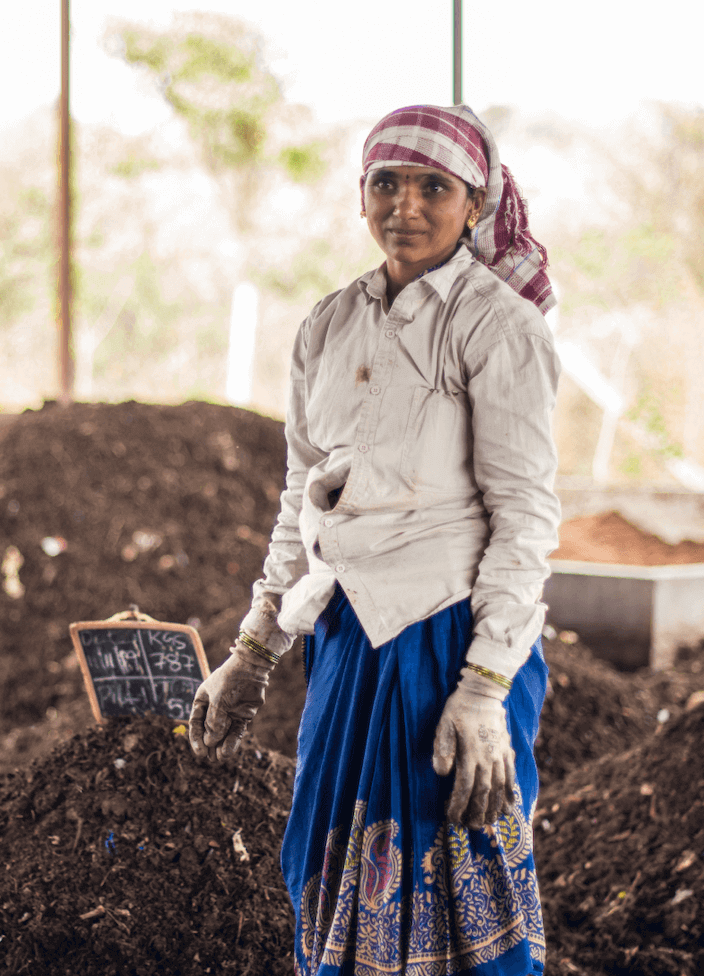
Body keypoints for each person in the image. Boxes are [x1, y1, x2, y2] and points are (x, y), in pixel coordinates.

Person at [189, 103, 560, 976]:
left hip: (447, 640)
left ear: (475, 204)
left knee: (459, 885)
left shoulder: (497, 326)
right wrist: (254, 650)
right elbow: (300, 500)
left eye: (435, 186)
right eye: (386, 182)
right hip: (349, 641)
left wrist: (483, 688)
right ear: (361, 196)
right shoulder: (328, 324)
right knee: (326, 861)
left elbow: (526, 516)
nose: (407, 204)